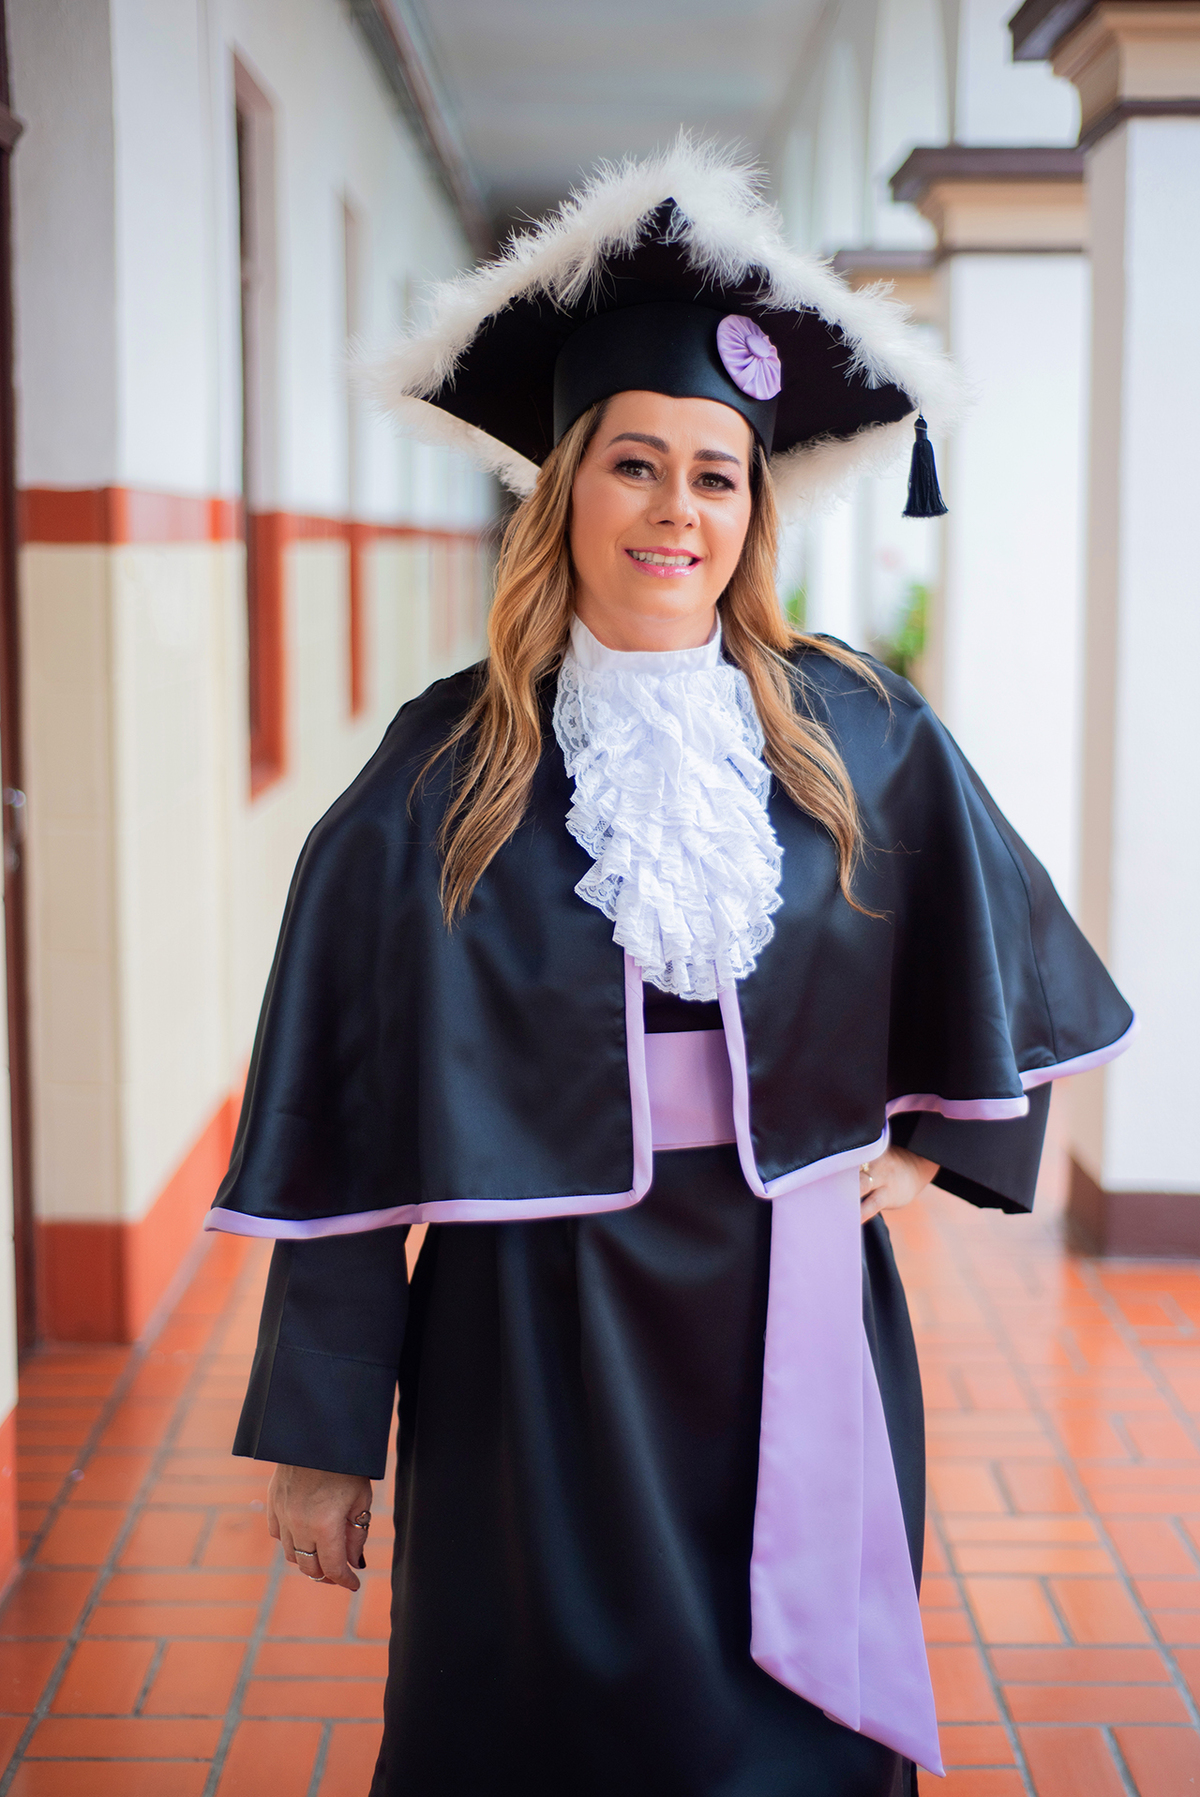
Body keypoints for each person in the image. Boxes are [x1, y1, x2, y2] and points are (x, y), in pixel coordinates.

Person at [207, 142, 1133, 1797]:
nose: (677, 511)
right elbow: (340, 1129)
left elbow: (1020, 963)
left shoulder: (860, 733)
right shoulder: (442, 772)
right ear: (565, 485)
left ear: (753, 508)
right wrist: (323, 1432)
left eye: (717, 475)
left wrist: (933, 1143)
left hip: (791, 1302)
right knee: (544, 1719)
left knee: (785, 1734)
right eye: (637, 465)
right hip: (533, 1332)